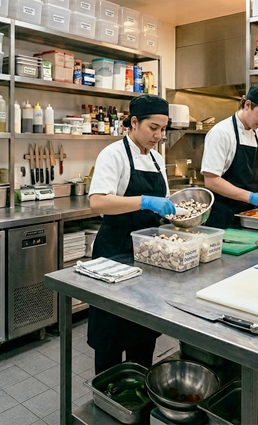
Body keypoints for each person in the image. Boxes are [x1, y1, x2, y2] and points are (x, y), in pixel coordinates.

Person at [86, 94, 173, 373]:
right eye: (153, 128)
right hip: (115, 249)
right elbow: (98, 201)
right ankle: (107, 393)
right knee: (110, 332)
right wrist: (145, 200)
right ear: (134, 122)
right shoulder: (113, 154)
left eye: (163, 129)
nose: (159, 135)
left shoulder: (158, 159)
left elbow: (165, 206)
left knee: (143, 331)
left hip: (148, 252)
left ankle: (139, 389)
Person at [201, 85, 258, 229]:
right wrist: (252, 197)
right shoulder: (221, 132)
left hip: (250, 217)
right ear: (247, 105)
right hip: (223, 219)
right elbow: (211, 180)